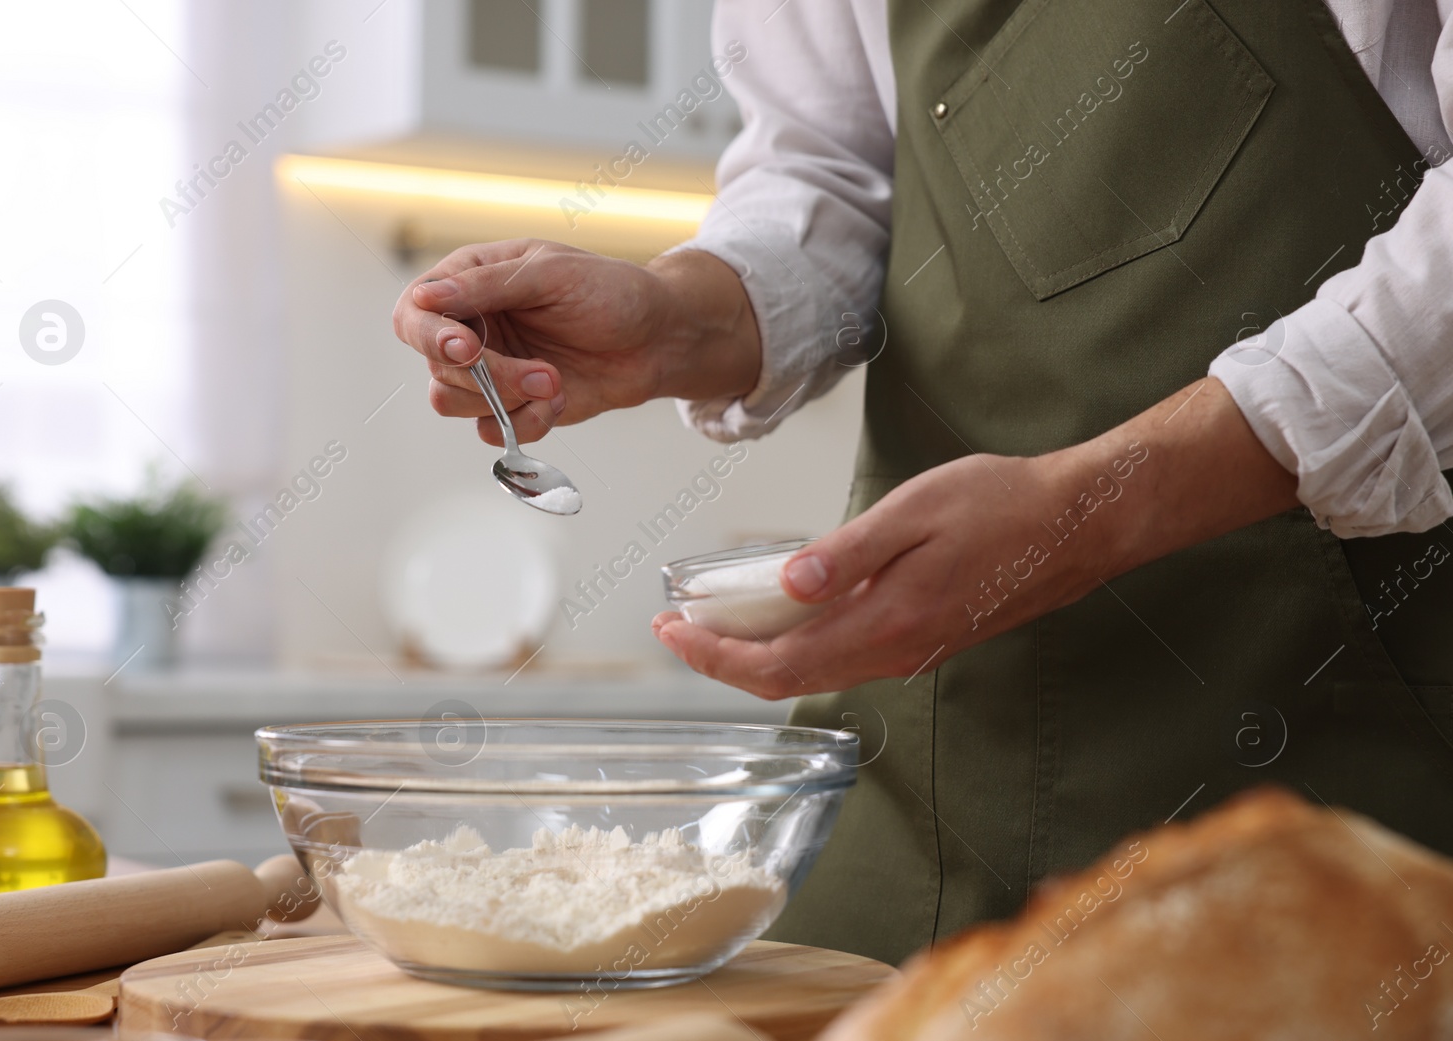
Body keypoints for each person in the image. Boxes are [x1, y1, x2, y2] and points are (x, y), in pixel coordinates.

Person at [395, 0, 1453, 966]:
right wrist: (674, 321)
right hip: (931, 753)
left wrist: (1085, 513)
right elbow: (822, 178)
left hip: (1344, 734)